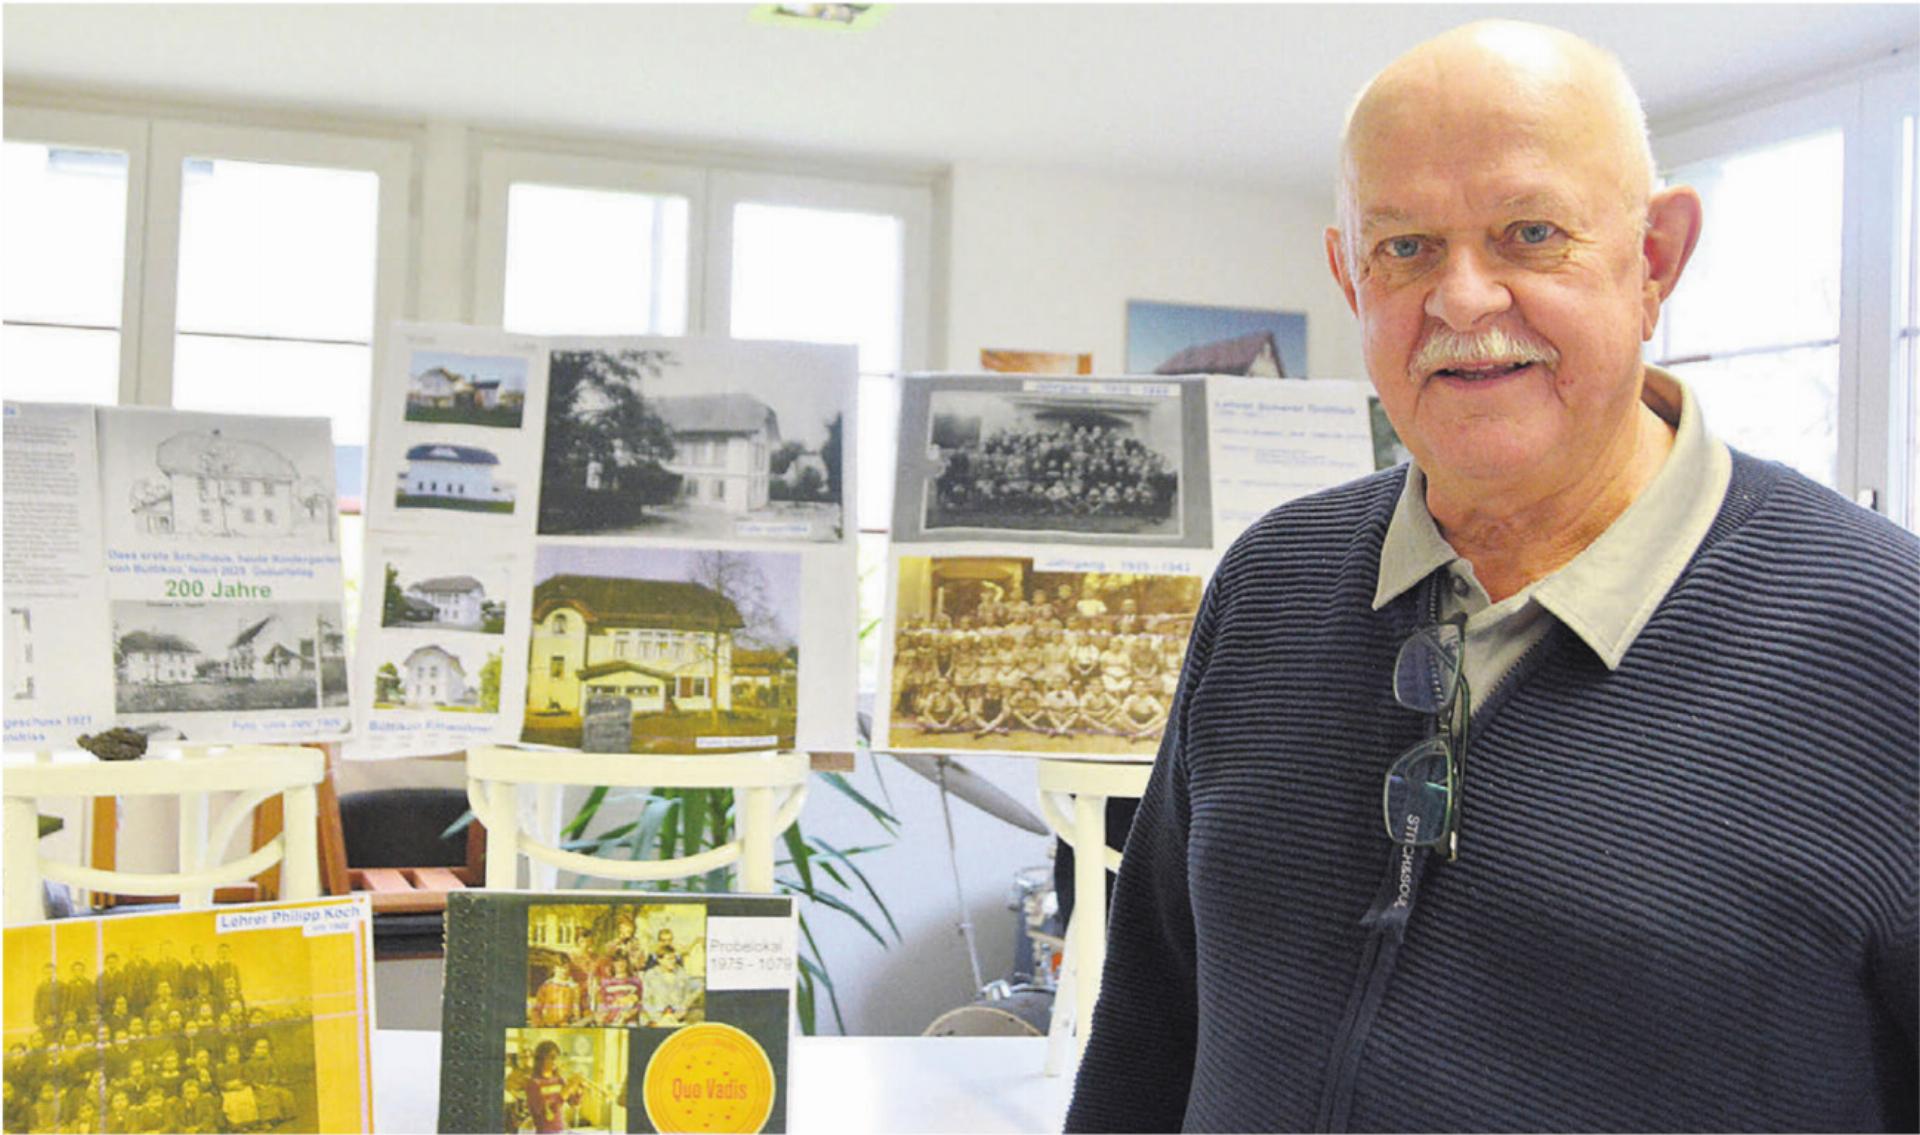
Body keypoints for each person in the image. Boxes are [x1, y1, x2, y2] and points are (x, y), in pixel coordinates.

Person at [1066, 19, 1918, 1133]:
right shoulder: (1268, 588)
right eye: (1406, 247)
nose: (1463, 300)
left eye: (1530, 232)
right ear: (1348, 274)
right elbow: (1148, 1031)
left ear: (1655, 258)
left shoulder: (1884, 642)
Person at [521, 1040, 582, 1135]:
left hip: (561, 1130)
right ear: (541, 1059)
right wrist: (566, 1091)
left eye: (557, 1057)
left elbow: (573, 1103)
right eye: (552, 1057)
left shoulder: (558, 1079)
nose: (555, 1061)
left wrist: (578, 1091)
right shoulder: (533, 1083)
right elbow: (547, 1113)